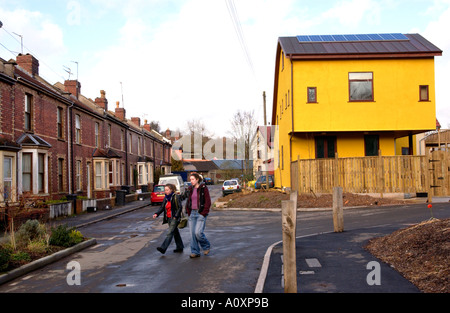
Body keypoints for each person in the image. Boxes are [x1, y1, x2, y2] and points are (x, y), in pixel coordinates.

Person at [185, 172, 211, 258]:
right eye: (190, 180)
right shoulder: (190, 189)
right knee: (192, 234)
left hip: (200, 213)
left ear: (197, 179)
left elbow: (208, 202)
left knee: (198, 233)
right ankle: (195, 252)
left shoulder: (203, 188)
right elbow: (188, 201)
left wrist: (204, 213)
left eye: (192, 179)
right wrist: (188, 211)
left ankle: (206, 246)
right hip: (192, 213)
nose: (191, 181)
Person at [153, 184, 184, 254]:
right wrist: (156, 214)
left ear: (171, 190)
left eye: (167, 190)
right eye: (165, 190)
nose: (165, 191)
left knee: (170, 233)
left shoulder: (176, 196)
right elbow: (162, 207)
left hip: (174, 218)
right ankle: (180, 247)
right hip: (169, 218)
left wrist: (176, 216)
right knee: (175, 232)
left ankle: (163, 248)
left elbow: (180, 207)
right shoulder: (166, 198)